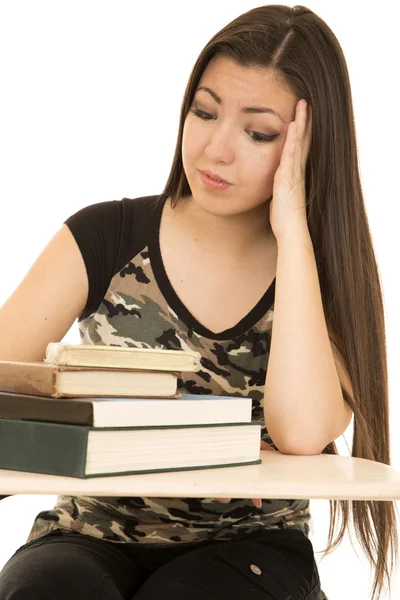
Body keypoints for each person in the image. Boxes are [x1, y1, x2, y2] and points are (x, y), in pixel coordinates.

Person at [0, 4, 397, 600]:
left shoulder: (318, 275)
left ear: (311, 146)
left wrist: (293, 227)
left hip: (251, 551)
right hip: (88, 534)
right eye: (204, 112)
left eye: (258, 133)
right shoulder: (102, 237)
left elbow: (301, 431)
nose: (216, 148)